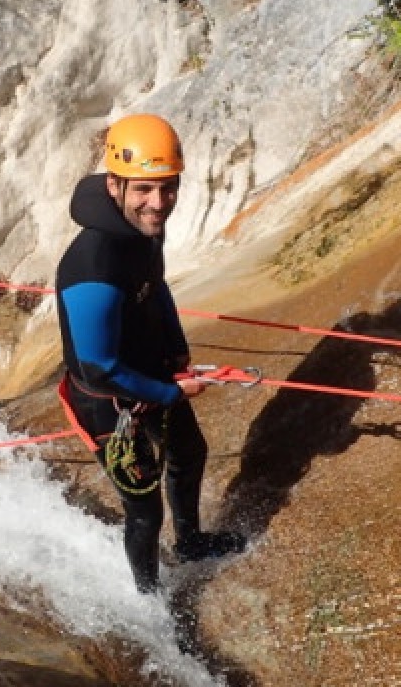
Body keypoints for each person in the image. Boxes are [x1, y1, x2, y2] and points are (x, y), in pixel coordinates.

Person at [55, 113, 244, 594]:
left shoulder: (144, 228)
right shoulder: (93, 268)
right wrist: (168, 391)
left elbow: (154, 287)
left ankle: (192, 542)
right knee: (144, 512)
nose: (158, 204)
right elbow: (98, 370)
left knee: (189, 452)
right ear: (115, 185)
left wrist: (177, 352)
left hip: (151, 371)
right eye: (144, 190)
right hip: (108, 403)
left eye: (168, 187)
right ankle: (148, 596)